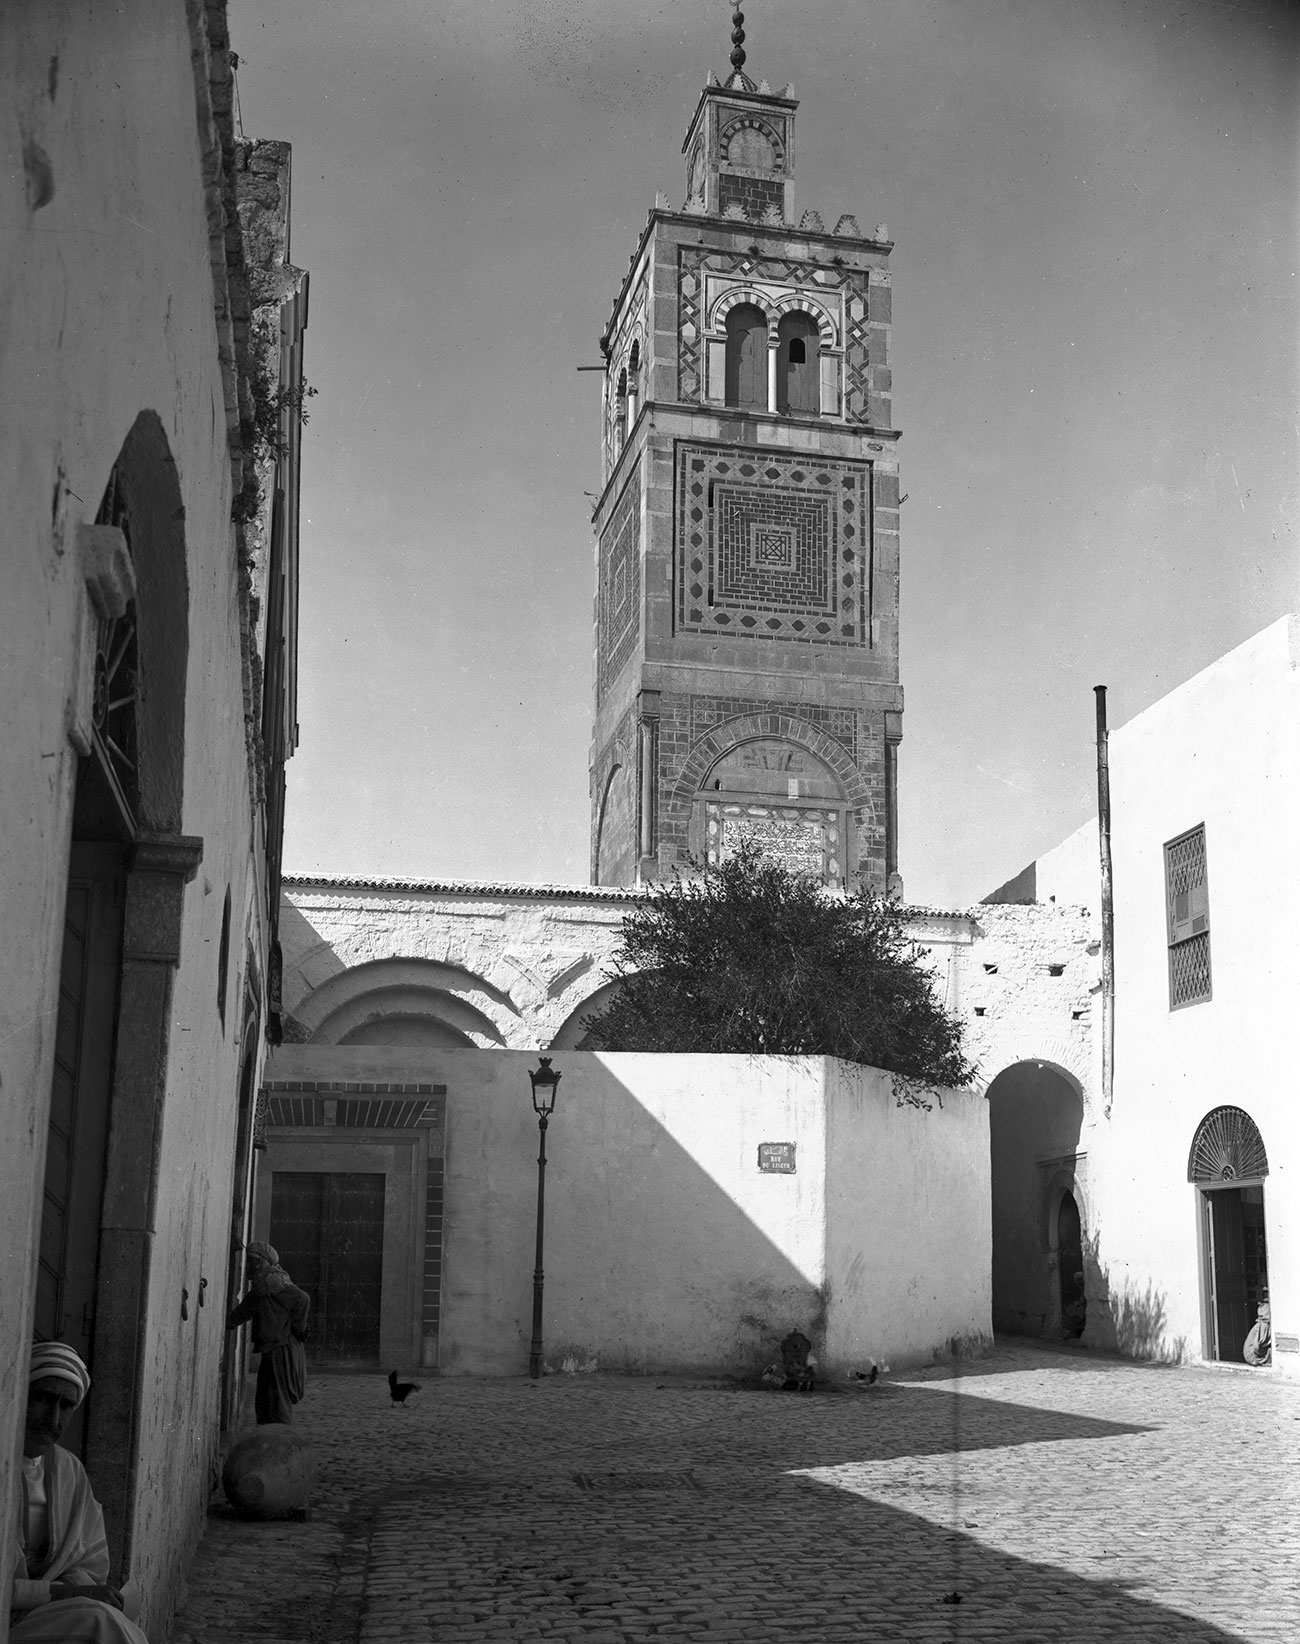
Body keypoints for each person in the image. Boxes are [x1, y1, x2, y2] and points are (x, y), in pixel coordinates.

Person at [10, 1342, 149, 1644]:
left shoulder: (69, 1470)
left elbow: (90, 1563)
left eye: (66, 1406)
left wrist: (77, 1590)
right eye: (43, 1398)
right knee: (97, 1620)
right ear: (20, 1393)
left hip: (42, 1614)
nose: (53, 1418)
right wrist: (71, 1593)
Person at [225, 1241, 310, 1423]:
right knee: (265, 1403)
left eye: (252, 1261)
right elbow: (243, 1311)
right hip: (269, 1351)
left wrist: (297, 1328)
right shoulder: (261, 1287)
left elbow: (303, 1299)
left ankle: (279, 1438)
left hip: (280, 1350)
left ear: (262, 1262)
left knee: (277, 1405)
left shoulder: (275, 1282)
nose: (247, 1266)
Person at [1243, 1300, 1272, 1367]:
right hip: (1252, 1356)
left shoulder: (1261, 1324)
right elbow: (1257, 1347)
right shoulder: (1264, 1325)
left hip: (1252, 1354)